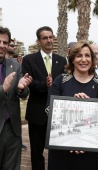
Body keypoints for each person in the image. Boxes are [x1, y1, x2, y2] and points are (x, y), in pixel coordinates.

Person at [46, 40, 98, 170]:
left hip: (89, 150)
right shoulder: (61, 80)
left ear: (92, 59)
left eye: (87, 55)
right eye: (79, 55)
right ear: (72, 59)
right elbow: (48, 110)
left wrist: (89, 105)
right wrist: (70, 105)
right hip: (62, 148)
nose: (83, 59)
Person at [22, 26, 67, 170]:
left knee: (58, 152)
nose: (49, 40)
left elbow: (64, 82)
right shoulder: (29, 59)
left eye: (50, 37)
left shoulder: (61, 60)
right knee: (36, 152)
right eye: (45, 38)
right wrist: (45, 85)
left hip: (57, 115)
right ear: (38, 41)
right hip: (37, 112)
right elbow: (27, 81)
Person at [0, 26, 32, 169]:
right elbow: (4, 90)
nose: (2, 46)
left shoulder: (15, 65)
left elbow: (24, 94)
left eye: (5, 43)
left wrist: (22, 88)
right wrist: (2, 89)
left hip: (12, 128)